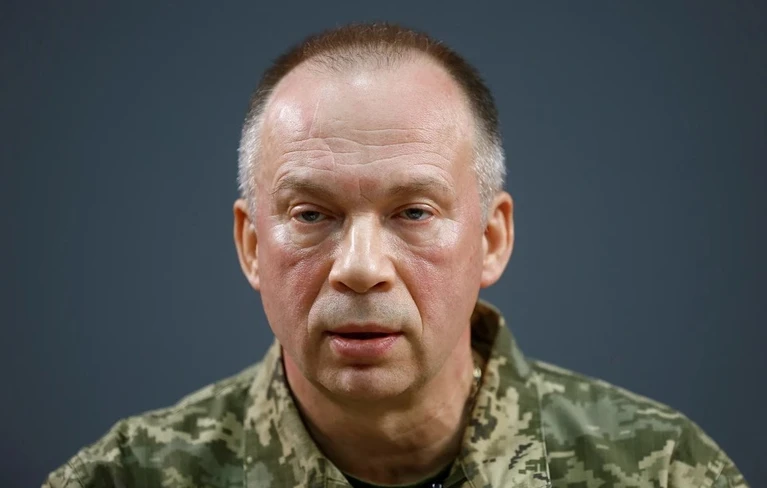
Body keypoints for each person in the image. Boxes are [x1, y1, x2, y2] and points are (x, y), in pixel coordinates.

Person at [42, 22, 748, 488]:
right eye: (311, 215)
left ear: (491, 239)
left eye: (413, 213)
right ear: (252, 245)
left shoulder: (664, 471)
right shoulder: (123, 477)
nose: (359, 267)